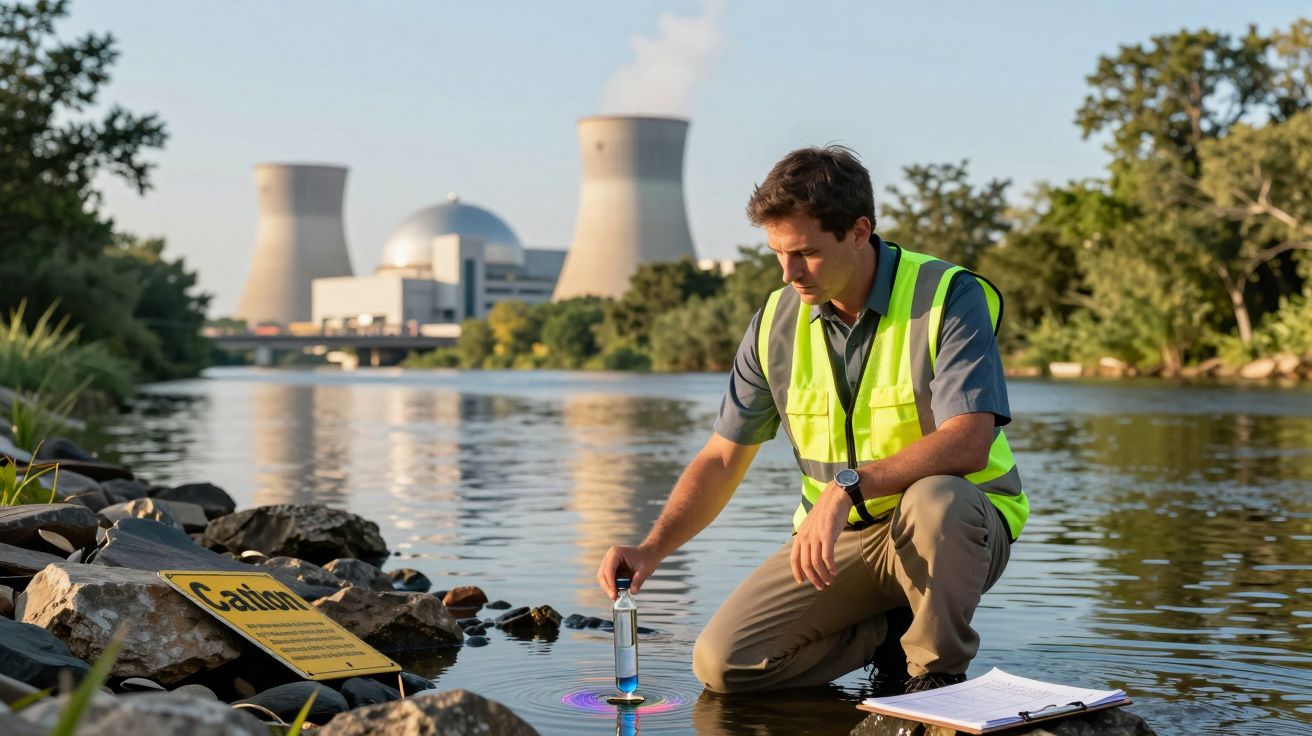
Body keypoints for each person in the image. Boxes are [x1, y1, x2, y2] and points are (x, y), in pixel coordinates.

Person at [596, 145, 1028, 695]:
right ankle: (885, 633)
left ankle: (935, 677)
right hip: (839, 541)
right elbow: (722, 457)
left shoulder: (948, 295)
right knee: (723, 665)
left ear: (858, 230)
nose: (789, 272)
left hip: (953, 529)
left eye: (805, 252)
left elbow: (968, 443)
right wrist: (650, 548)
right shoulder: (775, 320)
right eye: (778, 252)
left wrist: (848, 486)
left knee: (936, 499)